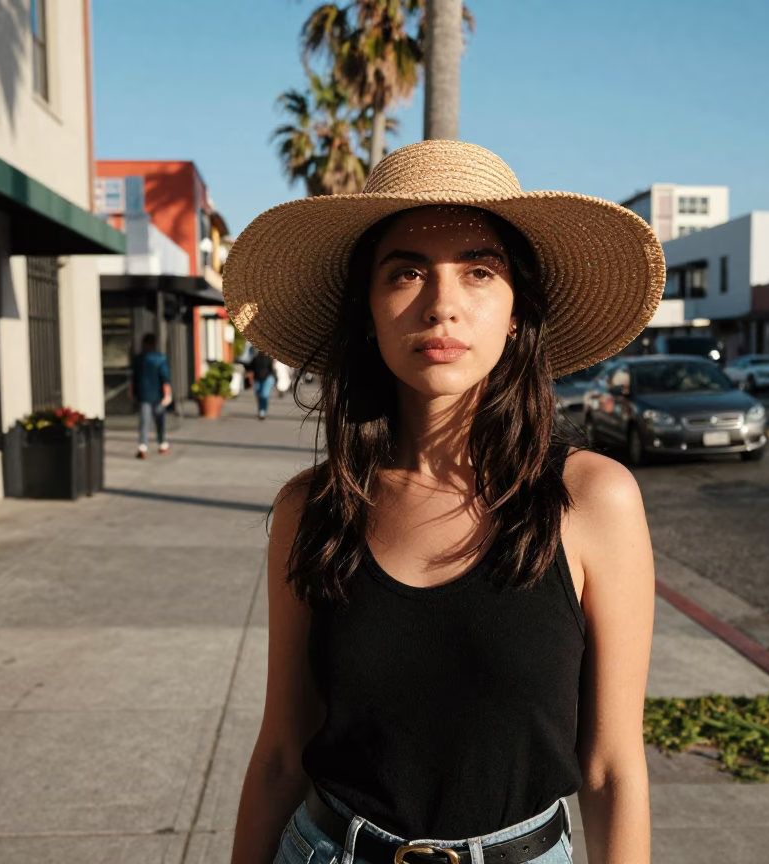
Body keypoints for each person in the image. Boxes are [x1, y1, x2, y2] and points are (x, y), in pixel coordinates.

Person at [226, 141, 663, 864]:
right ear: (368, 310)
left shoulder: (590, 499)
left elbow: (612, 770)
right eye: (405, 272)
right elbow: (280, 753)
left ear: (519, 311)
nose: (442, 306)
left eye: (480, 272)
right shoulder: (312, 509)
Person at [129, 332, 171, 458]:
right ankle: (162, 444)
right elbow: (165, 378)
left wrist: (131, 392)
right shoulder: (161, 358)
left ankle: (142, 446)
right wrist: (167, 395)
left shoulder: (138, 358)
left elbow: (133, 378)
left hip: (143, 394)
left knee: (144, 421)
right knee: (160, 421)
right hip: (158, 395)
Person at [250, 348, 276, 419]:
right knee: (262, 395)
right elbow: (251, 368)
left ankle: (262, 411)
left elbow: (251, 368)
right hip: (262, 378)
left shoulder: (256, 357)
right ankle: (262, 410)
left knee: (263, 395)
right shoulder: (258, 358)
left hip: (265, 378)